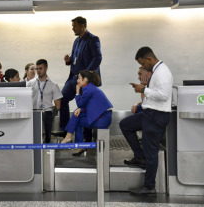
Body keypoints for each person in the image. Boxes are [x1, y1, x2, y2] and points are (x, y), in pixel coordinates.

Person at [119, 47, 173, 195]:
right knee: (125, 125)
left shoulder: (162, 72)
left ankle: (149, 187)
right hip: (148, 114)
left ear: (149, 59)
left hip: (157, 116)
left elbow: (164, 95)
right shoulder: (155, 71)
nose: (143, 67)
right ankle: (139, 156)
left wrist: (143, 90)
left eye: (143, 63)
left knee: (151, 152)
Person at [56, 16, 103, 141]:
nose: (73, 29)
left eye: (74, 26)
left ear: (82, 26)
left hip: (85, 80)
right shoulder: (76, 41)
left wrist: (86, 74)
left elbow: (97, 58)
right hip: (73, 78)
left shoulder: (93, 39)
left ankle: (87, 137)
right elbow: (75, 60)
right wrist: (68, 61)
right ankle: (65, 130)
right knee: (62, 99)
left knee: (85, 106)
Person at [61, 70, 112, 156]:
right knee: (77, 117)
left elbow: (80, 104)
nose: (77, 81)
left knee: (76, 117)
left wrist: (77, 93)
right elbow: (91, 106)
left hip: (103, 118)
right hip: (102, 115)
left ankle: (69, 137)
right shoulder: (90, 88)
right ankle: (78, 145)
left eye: (79, 78)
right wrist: (80, 109)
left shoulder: (88, 89)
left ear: (85, 80)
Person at [27, 59, 63, 143]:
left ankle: (47, 152)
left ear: (46, 68)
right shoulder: (30, 83)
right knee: (33, 135)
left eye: (41, 68)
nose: (38, 71)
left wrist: (51, 116)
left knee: (47, 136)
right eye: (37, 69)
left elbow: (58, 105)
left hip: (47, 112)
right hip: (33, 112)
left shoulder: (53, 85)